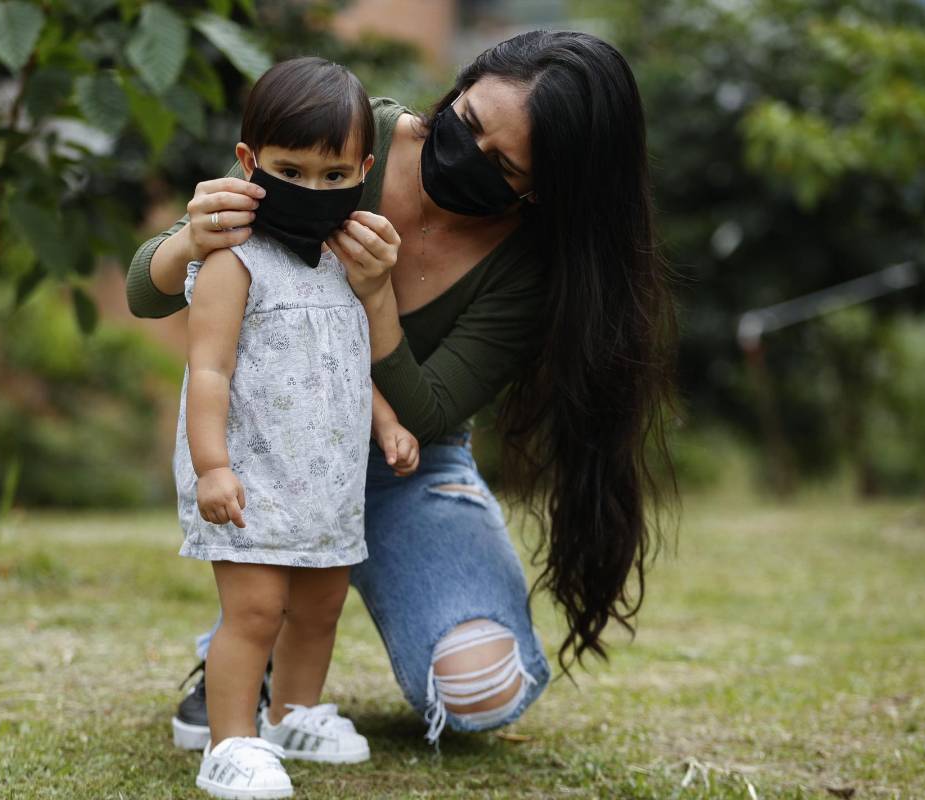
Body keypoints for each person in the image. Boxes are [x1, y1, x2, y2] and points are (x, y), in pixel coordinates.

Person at [130, 30, 677, 755]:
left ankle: (296, 686)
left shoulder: (533, 268)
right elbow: (146, 290)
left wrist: (376, 297)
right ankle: (248, 657)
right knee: (262, 604)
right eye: (467, 122)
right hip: (271, 440)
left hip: (400, 464)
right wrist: (188, 239)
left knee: (481, 689)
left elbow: (427, 414)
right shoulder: (349, 134)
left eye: (501, 164)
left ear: (543, 188)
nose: (465, 154)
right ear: (457, 88)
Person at [173, 57, 420, 799]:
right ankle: (230, 744)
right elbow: (208, 369)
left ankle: (293, 713)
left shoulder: (345, 259)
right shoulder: (232, 260)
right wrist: (212, 465)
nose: (311, 190)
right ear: (250, 162)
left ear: (362, 171)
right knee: (254, 612)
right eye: (290, 170)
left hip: (326, 477)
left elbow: (345, 359)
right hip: (250, 472)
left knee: (319, 606)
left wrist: (387, 422)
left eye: (333, 175)